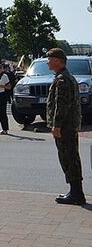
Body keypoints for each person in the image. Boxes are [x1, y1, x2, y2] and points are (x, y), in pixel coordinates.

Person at [45, 48, 85, 205]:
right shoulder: (63, 77)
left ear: (57, 60)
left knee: (69, 158)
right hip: (68, 126)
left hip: (65, 127)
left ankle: (76, 194)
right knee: (70, 157)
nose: (48, 62)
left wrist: (57, 125)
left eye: (50, 59)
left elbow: (62, 105)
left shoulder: (63, 79)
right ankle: (75, 191)